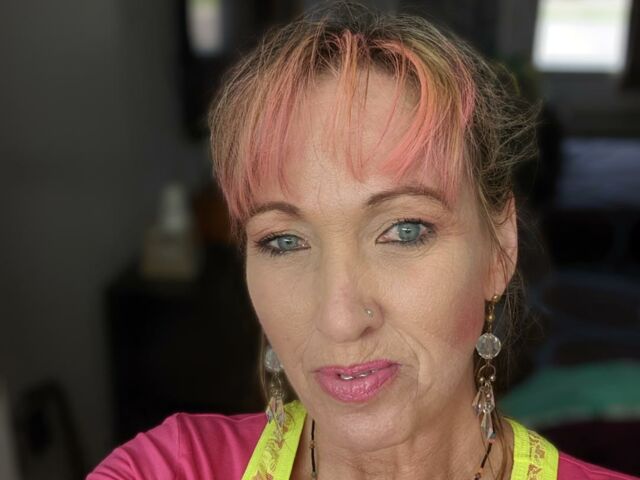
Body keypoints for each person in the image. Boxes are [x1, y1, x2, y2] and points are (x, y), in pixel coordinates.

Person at [88, 3, 639, 479]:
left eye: (404, 230)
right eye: (284, 241)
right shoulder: (170, 466)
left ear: (500, 249)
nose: (339, 318)